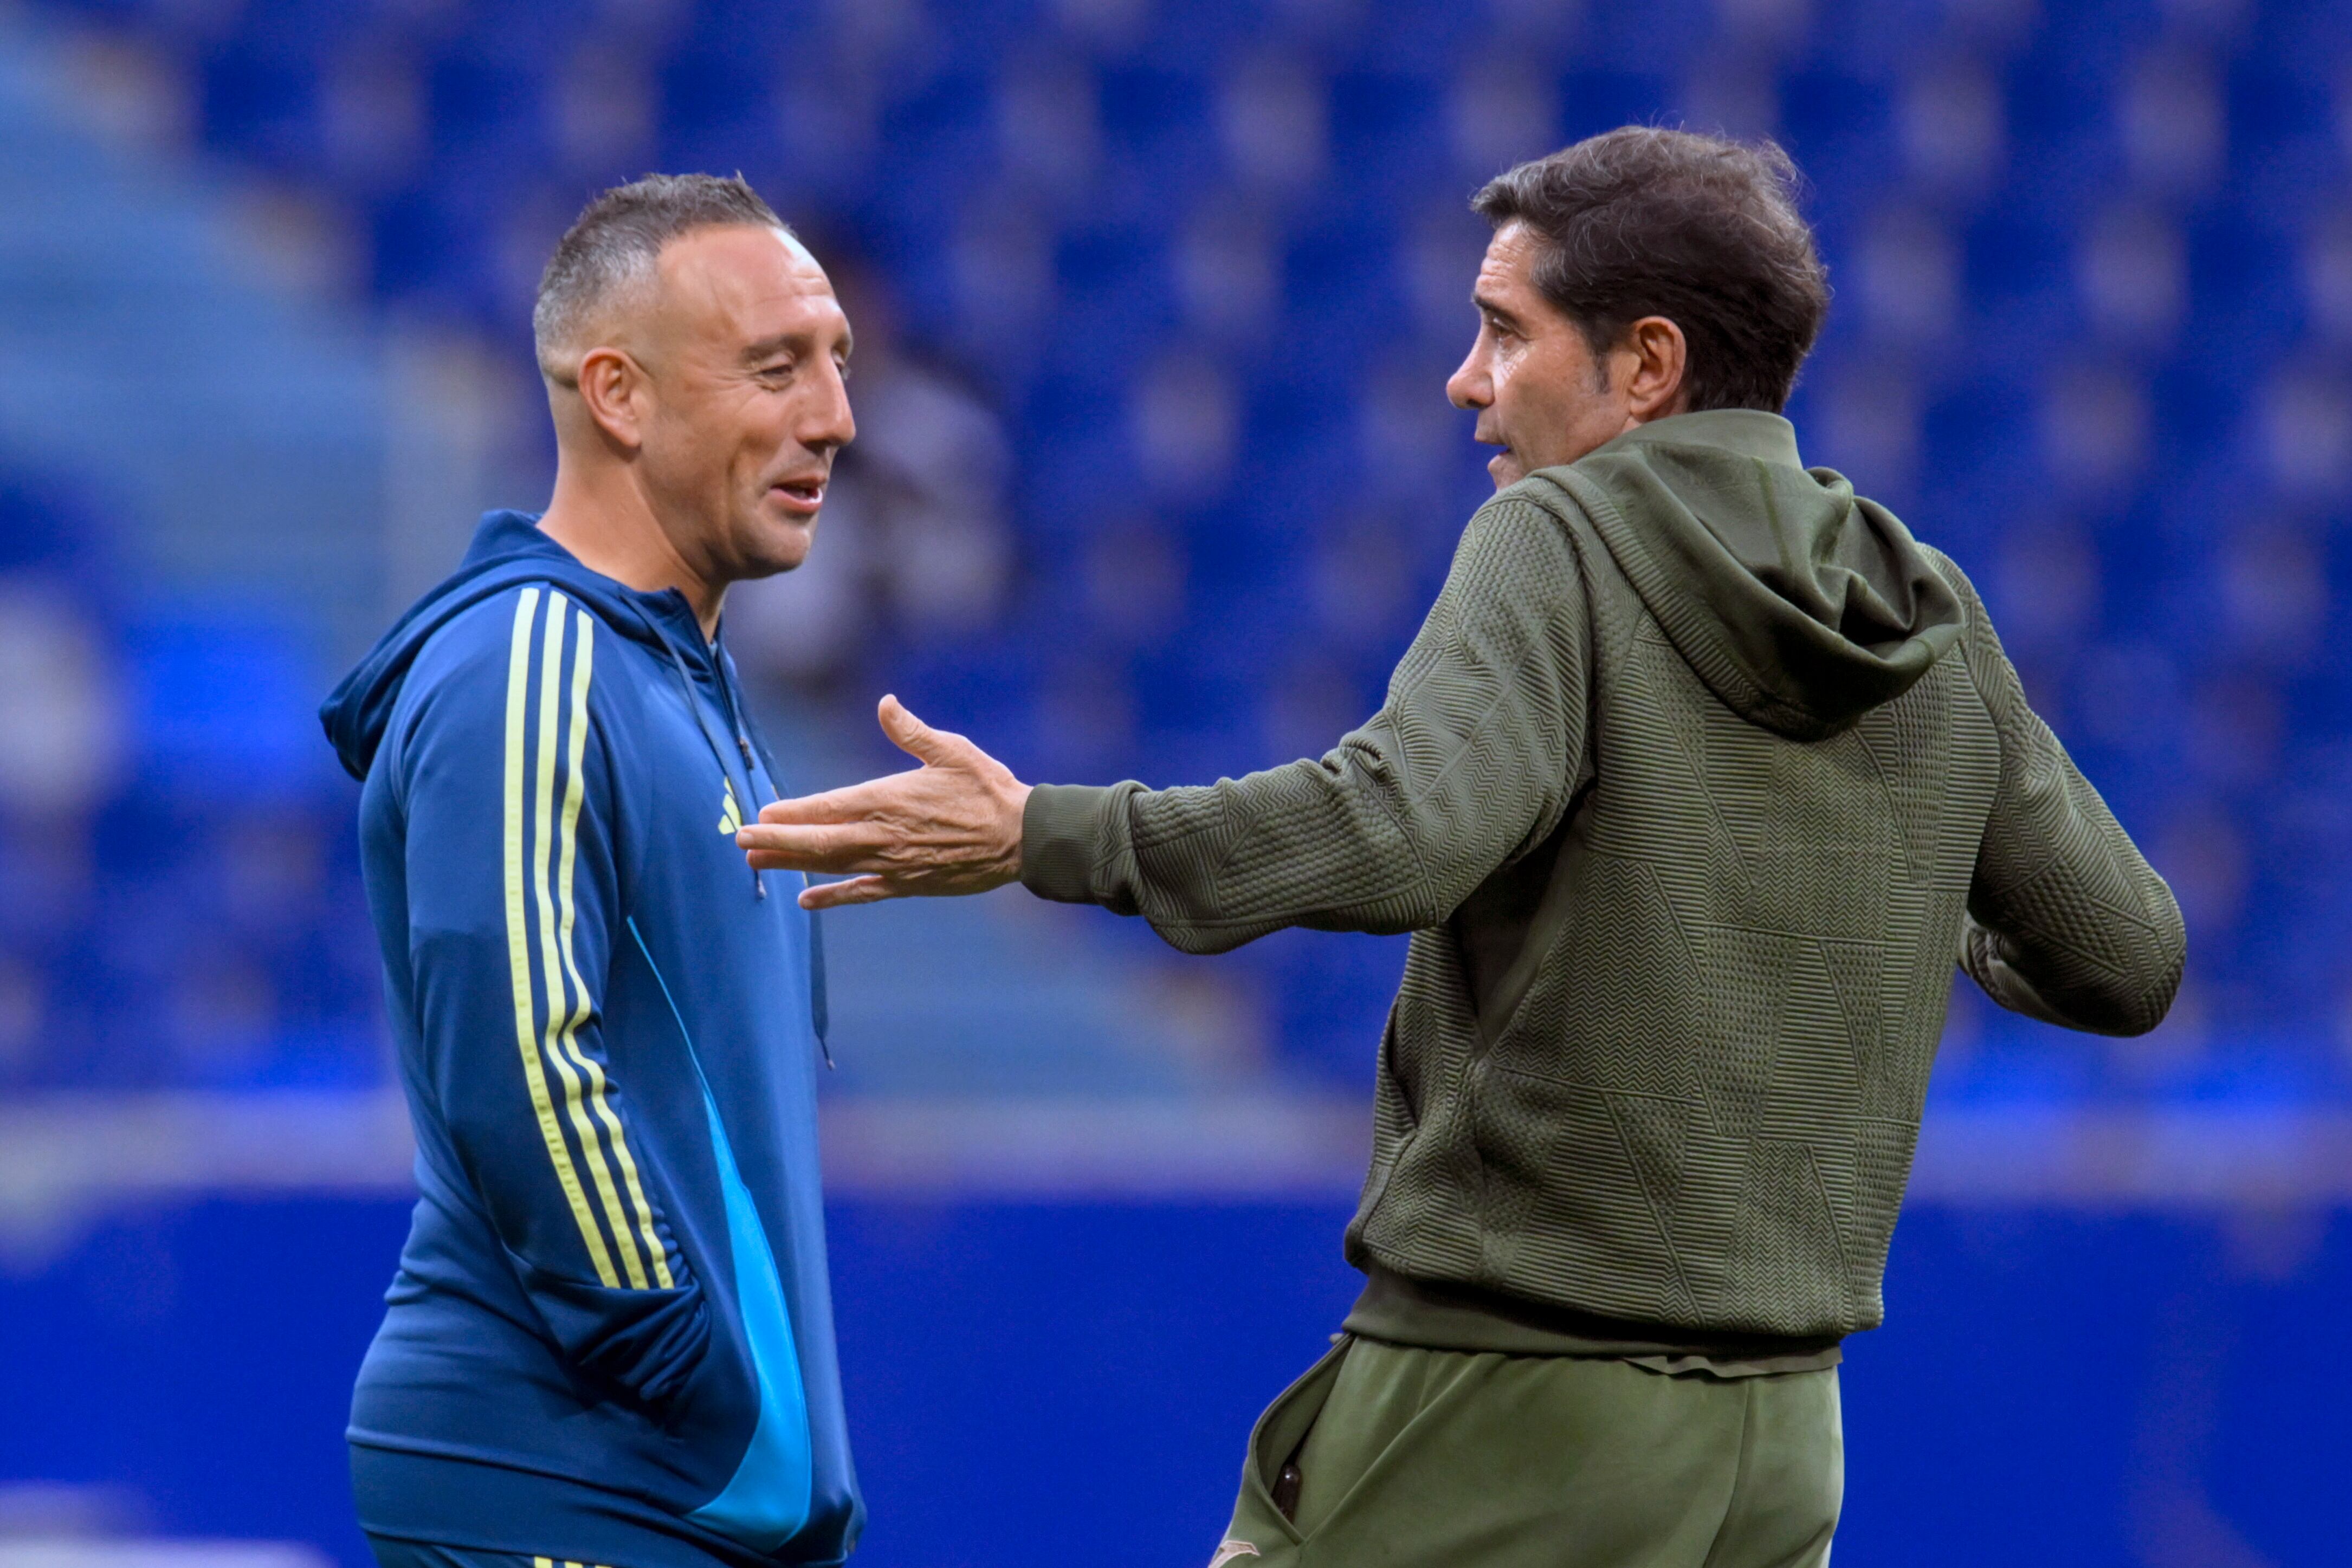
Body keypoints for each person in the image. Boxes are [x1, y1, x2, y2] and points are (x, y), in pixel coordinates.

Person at [737, 127, 2189, 1566]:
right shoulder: (1918, 602)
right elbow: (2125, 955)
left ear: (1647, 367)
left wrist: (1043, 832)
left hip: (1503, 1408)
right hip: (1780, 1444)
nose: (1464, 380)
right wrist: (1877, 886)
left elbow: (1397, 831)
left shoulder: (1557, 535)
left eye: (1504, 332)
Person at [321, 174, 863, 1568]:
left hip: (681, 1499)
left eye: (836, 363)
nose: (835, 418)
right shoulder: (530, 665)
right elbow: (523, 1058)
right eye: (774, 366)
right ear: (617, 395)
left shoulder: (684, 681)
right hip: (566, 1482)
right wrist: (689, 1374)